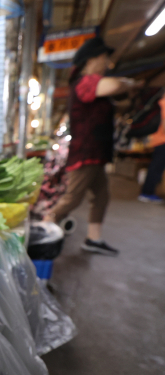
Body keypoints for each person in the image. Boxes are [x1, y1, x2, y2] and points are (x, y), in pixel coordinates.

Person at [45, 37, 143, 256]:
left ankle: (93, 238)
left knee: (101, 196)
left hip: (96, 153)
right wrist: (130, 83)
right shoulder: (86, 82)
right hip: (85, 153)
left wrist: (130, 94)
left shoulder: (94, 86)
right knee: (73, 197)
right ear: (93, 59)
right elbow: (116, 85)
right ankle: (45, 227)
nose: (107, 63)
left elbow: (116, 105)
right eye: (104, 58)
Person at [138, 92, 165, 203]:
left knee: (156, 167)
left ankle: (147, 192)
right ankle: (147, 193)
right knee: (156, 168)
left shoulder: (159, 103)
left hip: (158, 139)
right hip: (162, 140)